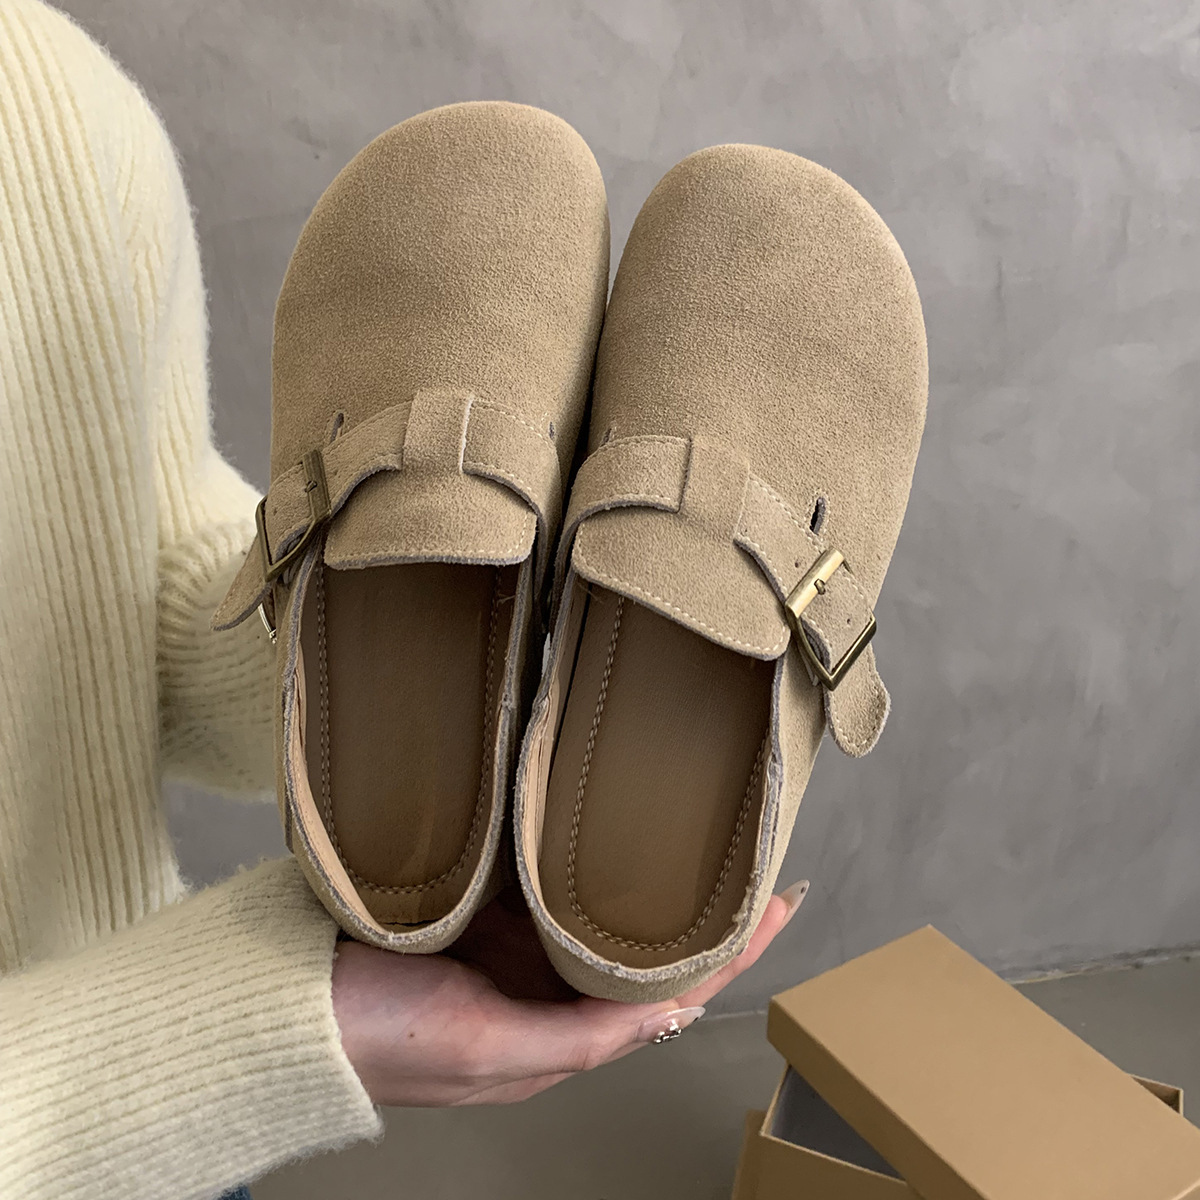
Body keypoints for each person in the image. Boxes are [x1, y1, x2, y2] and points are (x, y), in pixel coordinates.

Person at [0, 3, 805, 1197]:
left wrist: (398, 598)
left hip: (164, 1148)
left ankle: (446, 809)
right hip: (124, 1095)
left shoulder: (46, 93)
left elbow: (122, 592)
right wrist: (227, 1033)